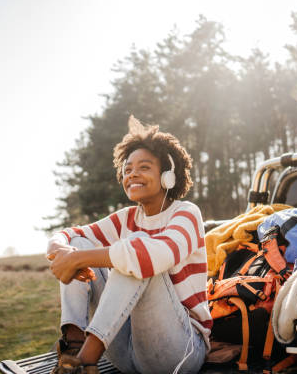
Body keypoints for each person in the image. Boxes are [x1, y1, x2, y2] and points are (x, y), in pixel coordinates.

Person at [47, 116, 212, 374]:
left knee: (136, 249)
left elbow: (152, 255)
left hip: (179, 351)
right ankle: (73, 350)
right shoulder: (126, 218)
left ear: (168, 175)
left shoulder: (186, 213)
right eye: (127, 169)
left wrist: (79, 260)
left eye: (144, 167)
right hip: (125, 352)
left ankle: (87, 359)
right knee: (80, 242)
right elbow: (69, 235)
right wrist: (61, 250)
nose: (132, 173)